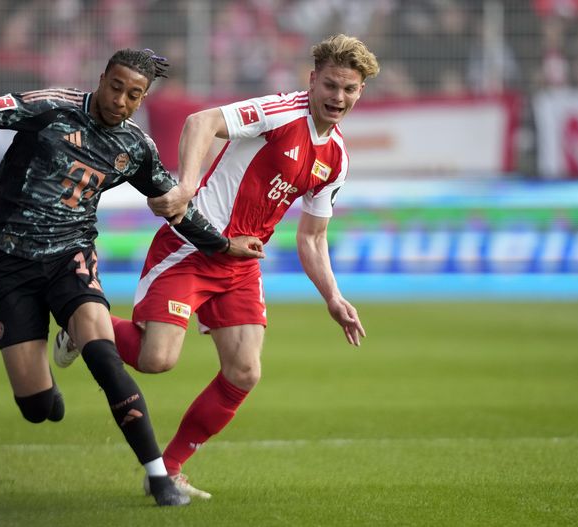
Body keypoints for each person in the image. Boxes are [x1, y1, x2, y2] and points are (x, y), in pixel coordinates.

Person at [0, 48, 264, 507]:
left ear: (142, 99)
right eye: (115, 87)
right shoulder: (52, 106)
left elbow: (177, 205)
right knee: (39, 409)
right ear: (101, 78)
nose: (120, 100)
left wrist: (221, 245)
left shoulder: (135, 147)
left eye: (133, 95)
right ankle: (53, 373)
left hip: (71, 258)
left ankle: (159, 476)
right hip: (10, 263)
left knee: (105, 358)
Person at [55, 34, 378, 499]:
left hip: (242, 262)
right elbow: (201, 121)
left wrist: (334, 297)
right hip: (193, 244)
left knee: (245, 372)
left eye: (349, 89)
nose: (338, 97)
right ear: (313, 80)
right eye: (330, 85)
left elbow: (312, 237)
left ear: (360, 92)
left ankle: (167, 470)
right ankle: (80, 326)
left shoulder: (337, 158)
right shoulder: (281, 111)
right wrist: (187, 186)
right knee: (156, 359)